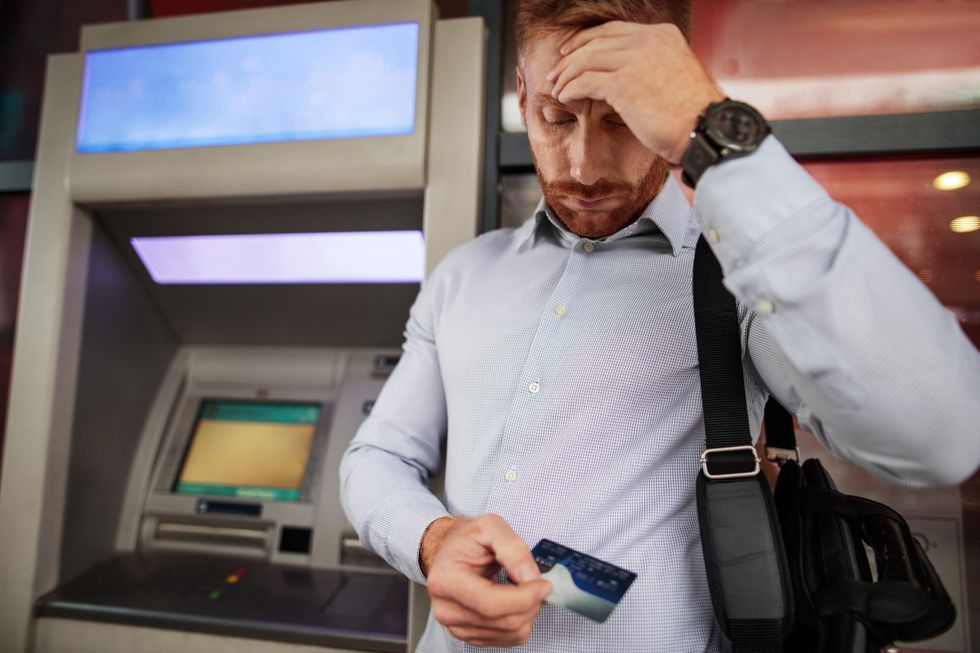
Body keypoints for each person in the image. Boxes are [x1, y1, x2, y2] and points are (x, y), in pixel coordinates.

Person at [340, 1, 980, 651]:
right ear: (523, 96)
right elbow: (378, 456)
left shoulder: (736, 273)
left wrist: (718, 133)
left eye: (620, 120)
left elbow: (943, 435)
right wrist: (432, 539)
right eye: (556, 118)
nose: (584, 166)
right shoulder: (464, 274)